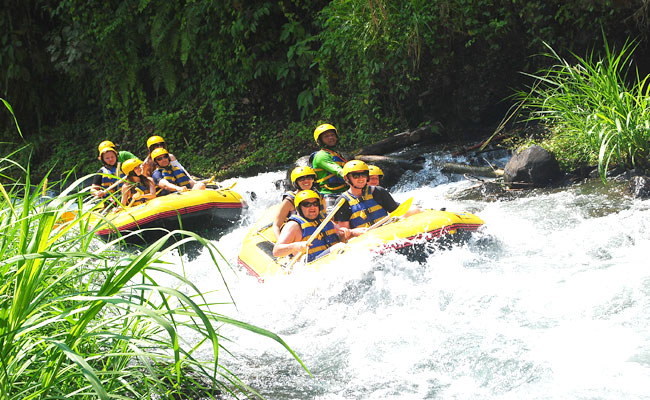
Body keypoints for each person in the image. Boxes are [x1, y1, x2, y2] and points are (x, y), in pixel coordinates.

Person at [334, 160, 420, 235]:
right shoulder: (342, 201)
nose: (361, 178)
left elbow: (397, 213)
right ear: (347, 178)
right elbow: (343, 236)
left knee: (415, 209)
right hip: (364, 240)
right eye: (356, 175)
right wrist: (353, 232)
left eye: (364, 175)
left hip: (387, 233)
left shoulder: (378, 192)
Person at [273, 190, 354, 263]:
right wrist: (295, 246)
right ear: (299, 208)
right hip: (310, 264)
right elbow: (276, 251)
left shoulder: (324, 219)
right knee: (339, 247)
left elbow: (340, 235)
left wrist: (344, 234)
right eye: (307, 204)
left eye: (315, 204)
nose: (312, 207)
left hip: (330, 259)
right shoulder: (293, 225)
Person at [272, 166, 323, 239]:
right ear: (296, 183)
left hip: (317, 233)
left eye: (309, 178)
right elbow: (276, 225)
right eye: (301, 179)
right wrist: (281, 244)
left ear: (313, 180)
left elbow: (324, 216)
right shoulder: (290, 200)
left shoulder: (318, 197)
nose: (306, 181)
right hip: (299, 236)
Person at [309, 123, 348, 210]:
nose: (331, 137)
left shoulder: (337, 154)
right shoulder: (321, 156)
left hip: (344, 191)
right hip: (328, 194)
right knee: (333, 219)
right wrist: (351, 176)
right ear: (320, 140)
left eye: (332, 135)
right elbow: (338, 170)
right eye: (326, 136)